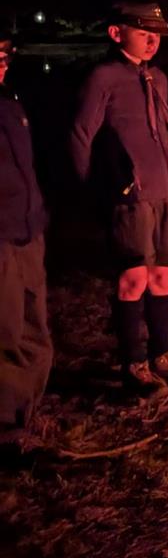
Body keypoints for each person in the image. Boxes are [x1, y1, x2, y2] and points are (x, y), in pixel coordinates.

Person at [70, 3, 168, 397]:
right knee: (134, 276)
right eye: (143, 32)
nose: (152, 41)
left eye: (156, 34)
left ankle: (163, 354)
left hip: (167, 194)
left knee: (163, 274)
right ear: (116, 33)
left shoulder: (158, 77)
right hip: (131, 196)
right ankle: (133, 363)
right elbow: (81, 135)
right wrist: (95, 190)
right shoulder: (104, 77)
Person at [0, 38, 51, 440]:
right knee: (5, 328)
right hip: (2, 233)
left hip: (28, 228)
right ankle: (7, 424)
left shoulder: (10, 104)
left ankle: (27, 412)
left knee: (34, 323)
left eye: (4, 54)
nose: (2, 63)